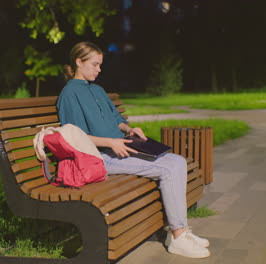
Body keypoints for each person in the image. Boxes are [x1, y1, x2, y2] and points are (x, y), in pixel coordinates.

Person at [56, 41, 210, 259]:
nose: (99, 69)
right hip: (101, 157)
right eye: (95, 64)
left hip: (122, 147)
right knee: (168, 170)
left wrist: (129, 129)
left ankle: (181, 230)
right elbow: (75, 137)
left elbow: (116, 119)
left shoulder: (97, 89)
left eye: (100, 65)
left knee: (177, 161)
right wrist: (111, 143)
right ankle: (177, 236)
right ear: (79, 62)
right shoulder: (70, 94)